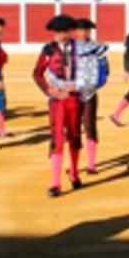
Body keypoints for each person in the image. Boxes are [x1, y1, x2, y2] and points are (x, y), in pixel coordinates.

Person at [33, 15, 83, 197]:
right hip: (57, 101)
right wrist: (49, 90)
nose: (61, 35)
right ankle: (55, 182)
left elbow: (91, 73)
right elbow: (37, 74)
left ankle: (75, 173)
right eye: (58, 32)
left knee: (75, 135)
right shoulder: (48, 50)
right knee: (57, 138)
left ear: (70, 31)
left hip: (75, 98)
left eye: (64, 32)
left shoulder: (81, 50)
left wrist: (80, 86)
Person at [73, 18, 109, 175]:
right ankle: (74, 165)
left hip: (90, 92)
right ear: (76, 31)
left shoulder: (97, 47)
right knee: (73, 129)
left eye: (88, 30)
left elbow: (105, 68)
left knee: (90, 126)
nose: (85, 33)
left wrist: (96, 84)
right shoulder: (68, 48)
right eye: (83, 30)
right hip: (72, 92)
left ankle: (91, 163)